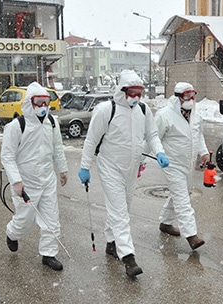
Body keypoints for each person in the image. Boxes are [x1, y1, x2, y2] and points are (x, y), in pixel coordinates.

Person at [78, 69, 169, 278]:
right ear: (122, 90)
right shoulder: (105, 110)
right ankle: (128, 257)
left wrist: (160, 153)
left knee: (122, 209)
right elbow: (91, 140)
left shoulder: (143, 110)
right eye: (132, 93)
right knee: (120, 213)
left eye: (139, 93)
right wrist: (85, 166)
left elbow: (152, 135)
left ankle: (111, 243)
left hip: (131, 169)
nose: (136, 98)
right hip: (110, 168)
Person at [1, 82, 68, 271]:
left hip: (47, 180)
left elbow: (57, 148)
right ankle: (12, 233)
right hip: (26, 183)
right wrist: (16, 181)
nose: (43, 107)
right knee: (25, 222)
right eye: (38, 102)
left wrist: (62, 170)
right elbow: (7, 156)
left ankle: (49, 254)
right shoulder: (16, 126)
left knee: (51, 220)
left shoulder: (51, 123)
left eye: (46, 102)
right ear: (30, 103)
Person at [154, 82, 209, 250]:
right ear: (178, 96)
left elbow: (198, 137)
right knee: (183, 199)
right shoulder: (164, 115)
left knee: (181, 193)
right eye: (186, 96)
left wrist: (204, 153)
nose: (191, 99)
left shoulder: (196, 116)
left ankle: (165, 223)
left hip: (188, 163)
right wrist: (141, 160)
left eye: (193, 95)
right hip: (171, 163)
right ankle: (191, 235)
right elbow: (152, 137)